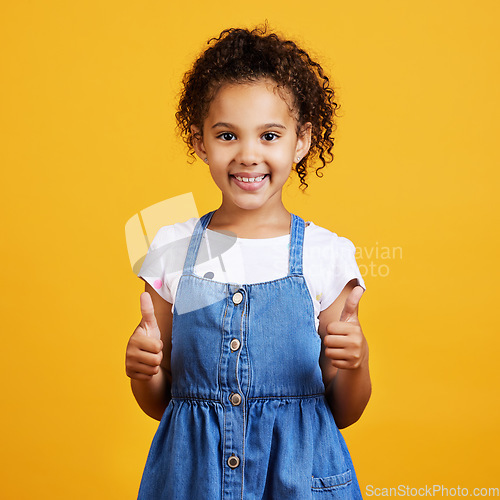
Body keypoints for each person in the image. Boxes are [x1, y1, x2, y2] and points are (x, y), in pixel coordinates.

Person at [126, 25, 371, 499]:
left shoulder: (326, 253)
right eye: (227, 135)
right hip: (191, 483)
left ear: (301, 141)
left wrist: (355, 362)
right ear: (200, 142)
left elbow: (345, 411)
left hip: (300, 482)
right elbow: (160, 404)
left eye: (270, 135)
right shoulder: (173, 248)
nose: (248, 154)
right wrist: (145, 370)